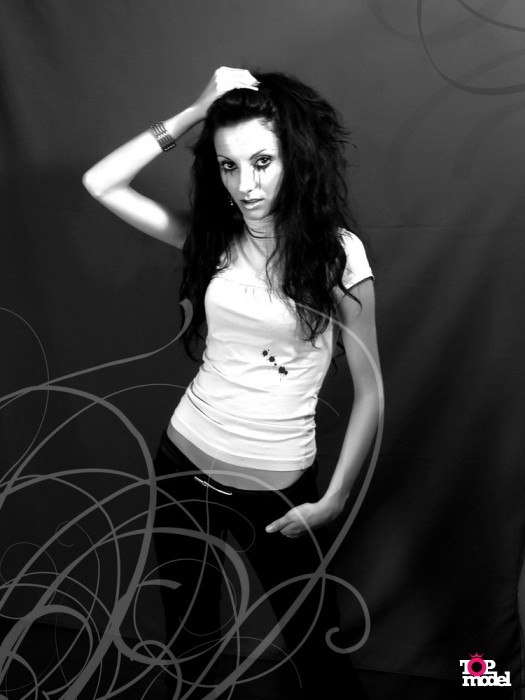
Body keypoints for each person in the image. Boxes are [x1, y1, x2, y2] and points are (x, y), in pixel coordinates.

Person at [83, 67, 382, 700]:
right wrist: (193, 112)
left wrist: (333, 499)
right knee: (189, 647)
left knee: (317, 658)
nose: (245, 185)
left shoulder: (339, 254)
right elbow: (100, 182)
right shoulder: (214, 238)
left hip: (279, 493)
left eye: (262, 162)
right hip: (182, 465)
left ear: (296, 158)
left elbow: (371, 390)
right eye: (228, 166)